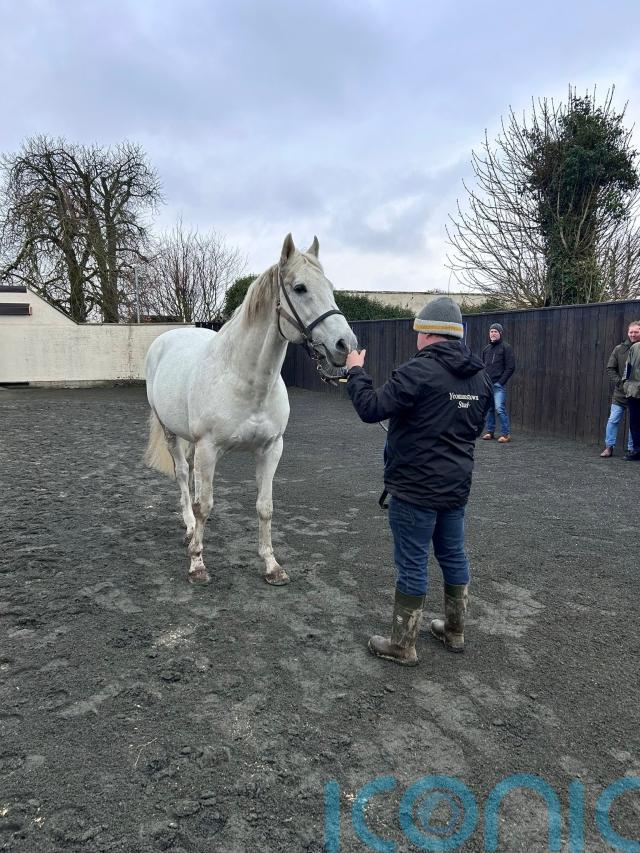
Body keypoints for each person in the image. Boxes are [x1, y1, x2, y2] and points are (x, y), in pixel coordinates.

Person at [345, 297, 492, 666]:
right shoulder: (481, 377)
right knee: (453, 555)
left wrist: (355, 371)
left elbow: (371, 408)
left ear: (427, 333)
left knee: (412, 563)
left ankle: (402, 644)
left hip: (414, 490)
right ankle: (454, 631)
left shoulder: (417, 371)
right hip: (455, 487)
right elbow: (474, 428)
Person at [600, 320, 640, 458]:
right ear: (628, 332)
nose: (633, 334)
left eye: (636, 332)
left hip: (636, 393)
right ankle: (608, 447)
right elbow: (610, 368)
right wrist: (621, 384)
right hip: (620, 393)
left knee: (635, 422)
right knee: (613, 419)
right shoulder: (619, 349)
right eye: (631, 332)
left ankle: (632, 449)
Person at [481, 323, 516, 443]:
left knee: (499, 408)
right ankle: (490, 432)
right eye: (491, 331)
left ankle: (505, 434)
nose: (493, 333)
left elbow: (510, 367)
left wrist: (500, 382)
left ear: (500, 333)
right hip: (487, 384)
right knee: (490, 409)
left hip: (498, 385)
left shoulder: (506, 348)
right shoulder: (486, 349)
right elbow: (483, 367)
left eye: (495, 331)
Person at [623, 340, 640, 461]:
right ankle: (637, 450)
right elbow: (627, 367)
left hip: (634, 389)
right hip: (634, 390)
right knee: (635, 422)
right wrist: (626, 384)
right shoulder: (635, 347)